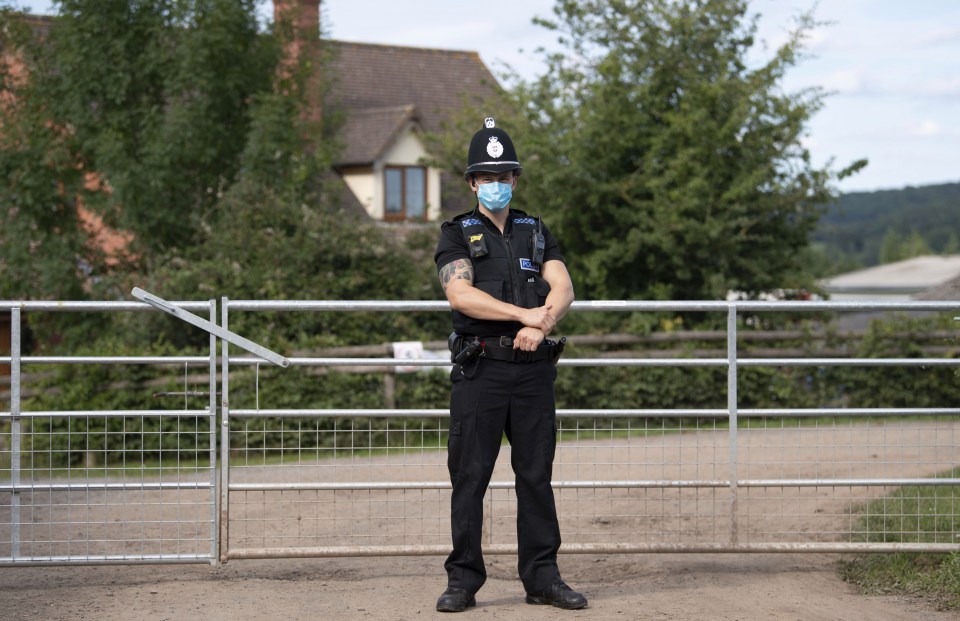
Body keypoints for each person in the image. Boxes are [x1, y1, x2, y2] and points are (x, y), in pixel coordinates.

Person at [433, 117, 585, 612]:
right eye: (487, 177)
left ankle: (543, 577)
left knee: (535, 475)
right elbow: (460, 293)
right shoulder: (456, 235)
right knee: (470, 477)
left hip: (533, 369)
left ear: (515, 179)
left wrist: (539, 326)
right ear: (473, 182)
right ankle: (462, 581)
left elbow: (562, 287)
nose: (496, 185)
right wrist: (524, 314)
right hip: (483, 369)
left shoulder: (535, 231)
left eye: (504, 176)